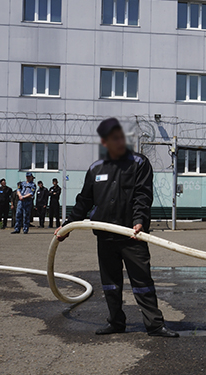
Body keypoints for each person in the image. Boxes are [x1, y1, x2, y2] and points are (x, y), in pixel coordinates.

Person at [56, 117, 178, 338]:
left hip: (133, 235)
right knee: (110, 283)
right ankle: (115, 322)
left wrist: (139, 220)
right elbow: (84, 200)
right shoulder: (96, 169)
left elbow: (143, 195)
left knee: (141, 281)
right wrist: (67, 226)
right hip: (105, 236)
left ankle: (154, 325)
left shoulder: (139, 163)